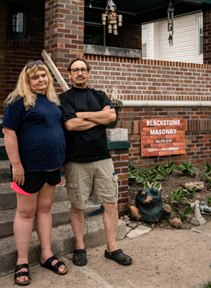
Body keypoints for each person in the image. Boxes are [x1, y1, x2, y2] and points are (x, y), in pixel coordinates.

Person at [59, 58, 133, 267]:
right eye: (75, 70)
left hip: (103, 159)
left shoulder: (99, 95)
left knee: (110, 203)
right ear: (70, 75)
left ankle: (112, 248)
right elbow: (71, 125)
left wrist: (84, 115)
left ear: (88, 73)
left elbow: (110, 116)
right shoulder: (64, 98)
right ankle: (80, 247)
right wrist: (97, 117)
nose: (80, 73)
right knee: (77, 206)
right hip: (76, 161)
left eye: (83, 69)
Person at [1, 60, 68, 285]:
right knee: (26, 212)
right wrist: (16, 165)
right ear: (27, 80)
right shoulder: (17, 101)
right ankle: (22, 261)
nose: (41, 80)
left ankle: (46, 254)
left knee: (45, 209)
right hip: (29, 168)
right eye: (35, 77)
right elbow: (9, 134)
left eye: (43, 75)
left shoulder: (52, 101)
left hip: (52, 167)